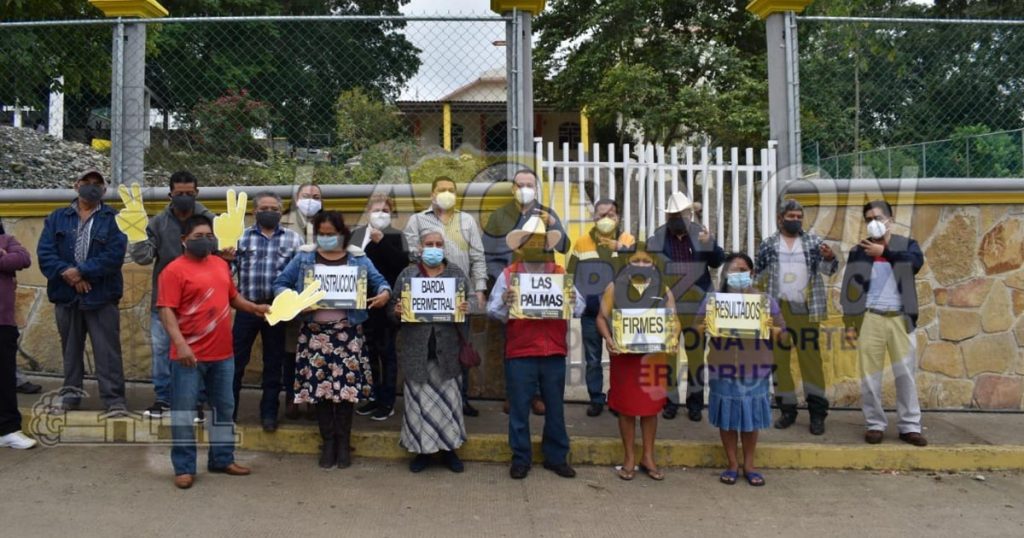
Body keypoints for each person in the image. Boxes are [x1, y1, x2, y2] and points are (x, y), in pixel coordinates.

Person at [274, 211, 392, 469]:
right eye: (322, 234)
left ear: (342, 233)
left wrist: (384, 294)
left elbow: (381, 283)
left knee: (346, 391)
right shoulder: (304, 257)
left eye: (331, 234)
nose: (326, 238)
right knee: (321, 390)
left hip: (347, 335)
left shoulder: (357, 258)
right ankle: (328, 442)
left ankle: (343, 442)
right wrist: (295, 301)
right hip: (314, 335)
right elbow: (280, 284)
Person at [157, 215, 268, 489]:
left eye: (209, 236)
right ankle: (184, 467)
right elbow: (166, 311)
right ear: (184, 240)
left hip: (222, 354)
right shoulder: (173, 271)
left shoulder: (220, 264)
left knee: (224, 408)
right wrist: (180, 344)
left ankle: (222, 459)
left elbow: (232, 297)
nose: (205, 241)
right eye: (198, 236)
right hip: (188, 357)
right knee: (184, 412)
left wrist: (254, 308)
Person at [487, 216, 585, 480]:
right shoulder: (509, 275)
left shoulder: (560, 274)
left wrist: (572, 299)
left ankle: (556, 457)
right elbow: (493, 311)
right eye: (530, 241)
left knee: (555, 408)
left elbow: (580, 308)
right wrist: (505, 300)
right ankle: (520, 458)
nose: (535, 246)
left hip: (553, 351)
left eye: (539, 241)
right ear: (521, 247)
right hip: (520, 352)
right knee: (519, 408)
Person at [36, 170, 128, 416]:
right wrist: (68, 273)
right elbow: (45, 253)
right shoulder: (57, 217)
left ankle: (114, 401)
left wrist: (81, 272)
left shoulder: (114, 219)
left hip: (102, 296)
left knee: (107, 351)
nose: (92, 186)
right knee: (70, 350)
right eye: (86, 182)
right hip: (66, 295)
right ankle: (70, 397)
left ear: (104, 190)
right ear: (76, 185)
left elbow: (114, 256)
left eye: (97, 183)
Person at [483, 169, 571, 417]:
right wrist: (504, 279)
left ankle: (539, 395)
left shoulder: (547, 214)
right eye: (520, 184)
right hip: (513, 289)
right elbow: (487, 252)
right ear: (513, 188)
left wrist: (553, 224)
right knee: (513, 343)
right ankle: (514, 394)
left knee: (543, 342)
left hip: (544, 288)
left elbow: (564, 246)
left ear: (536, 188)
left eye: (529, 185)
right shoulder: (499, 216)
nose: (524, 189)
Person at [129, 170, 216, 419]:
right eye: (179, 193)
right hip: (166, 301)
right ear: (170, 194)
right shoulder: (158, 223)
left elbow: (221, 254)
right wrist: (136, 233)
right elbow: (143, 258)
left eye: (189, 193)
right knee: (162, 351)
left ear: (197, 193)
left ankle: (196, 402)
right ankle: (163, 399)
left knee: (198, 352)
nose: (184, 197)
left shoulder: (210, 221)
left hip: (200, 302)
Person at [841, 200, 927, 447]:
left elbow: (914, 265)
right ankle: (875, 424)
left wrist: (885, 252)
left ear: (890, 219)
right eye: (869, 219)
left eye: (878, 218)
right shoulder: (859, 251)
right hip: (870, 318)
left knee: (905, 375)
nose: (873, 223)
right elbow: (850, 289)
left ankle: (910, 426)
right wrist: (850, 321)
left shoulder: (907, 245)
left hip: (901, 318)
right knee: (870, 376)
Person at [697, 253, 784, 487]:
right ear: (726, 274)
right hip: (722, 368)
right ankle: (732, 464)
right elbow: (695, 330)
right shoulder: (713, 302)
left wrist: (773, 329)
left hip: (755, 370)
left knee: (750, 418)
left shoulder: (765, 302)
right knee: (727, 419)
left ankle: (749, 465)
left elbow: (784, 336)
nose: (738, 274)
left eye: (743, 270)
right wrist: (703, 326)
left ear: (752, 273)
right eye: (733, 270)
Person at [404, 177, 488, 417]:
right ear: (432, 193)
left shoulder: (467, 220)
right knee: (428, 348)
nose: (447, 193)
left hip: (460, 298)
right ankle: (428, 400)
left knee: (460, 347)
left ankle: (461, 399)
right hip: (427, 296)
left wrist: (480, 289)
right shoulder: (417, 220)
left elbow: (478, 257)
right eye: (442, 190)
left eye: (451, 190)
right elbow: (409, 254)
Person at [754, 199, 837, 435]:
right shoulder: (769, 244)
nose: (796, 221)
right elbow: (759, 274)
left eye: (799, 217)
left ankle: (817, 414)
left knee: (811, 362)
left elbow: (828, 270)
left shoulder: (813, 242)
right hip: (777, 308)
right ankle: (787, 410)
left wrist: (830, 257)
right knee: (779, 361)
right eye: (791, 217)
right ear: (780, 218)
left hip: (805, 308)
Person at [392, 228, 470, 473]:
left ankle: (450, 450)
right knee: (419, 406)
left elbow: (469, 304)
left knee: (449, 405)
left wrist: (466, 307)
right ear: (420, 248)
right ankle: (422, 452)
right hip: (417, 351)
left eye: (438, 244)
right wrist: (396, 311)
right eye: (429, 244)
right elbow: (392, 309)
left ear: (444, 248)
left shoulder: (456, 274)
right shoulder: (408, 275)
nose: (434, 248)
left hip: (447, 351)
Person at [596, 244, 674, 480]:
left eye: (646, 261)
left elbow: (673, 319)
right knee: (626, 408)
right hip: (624, 358)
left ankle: (648, 456)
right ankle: (629, 457)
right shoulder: (614, 287)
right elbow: (601, 318)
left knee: (651, 409)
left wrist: (673, 337)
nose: (641, 265)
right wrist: (608, 339)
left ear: (654, 264)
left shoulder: (663, 288)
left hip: (653, 358)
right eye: (636, 261)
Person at [227, 192, 303, 432]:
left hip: (277, 310)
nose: (269, 212)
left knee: (273, 363)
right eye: (264, 208)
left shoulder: (294, 239)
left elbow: (300, 275)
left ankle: (269, 413)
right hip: (247, 307)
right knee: (235, 363)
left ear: (281, 212)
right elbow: (227, 273)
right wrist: (225, 259)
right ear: (254, 212)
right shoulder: (240, 237)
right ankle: (228, 412)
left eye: (274, 209)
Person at [647, 191, 724, 422]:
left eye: (682, 214)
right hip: (669, 303)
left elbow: (718, 261)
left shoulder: (701, 234)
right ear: (667, 217)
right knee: (669, 356)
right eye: (674, 215)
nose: (678, 219)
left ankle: (695, 403)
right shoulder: (657, 237)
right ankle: (670, 402)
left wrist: (710, 245)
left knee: (696, 357)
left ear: (690, 214)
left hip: (697, 304)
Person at [567, 198, 635, 417]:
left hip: (620, 313)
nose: (605, 219)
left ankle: (617, 399)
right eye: (601, 215)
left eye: (610, 215)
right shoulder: (581, 243)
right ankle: (596, 398)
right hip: (590, 313)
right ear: (594, 217)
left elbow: (640, 268)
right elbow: (571, 275)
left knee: (620, 358)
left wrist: (622, 249)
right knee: (593, 359)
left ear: (618, 218)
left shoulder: (627, 239)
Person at [351, 193, 408, 421]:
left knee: (387, 353)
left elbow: (401, 264)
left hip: (386, 304)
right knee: (368, 353)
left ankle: (387, 401)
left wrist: (381, 241)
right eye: (376, 210)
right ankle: (372, 396)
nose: (380, 214)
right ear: (368, 212)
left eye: (385, 210)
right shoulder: (356, 235)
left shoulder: (396, 236)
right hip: (361, 304)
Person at [280, 182, 324, 420]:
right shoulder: (284, 225)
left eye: (316, 196)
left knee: (317, 351)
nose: (311, 200)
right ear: (297, 199)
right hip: (293, 300)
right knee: (291, 351)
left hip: (322, 302)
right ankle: (292, 397)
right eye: (307, 195)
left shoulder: (328, 225)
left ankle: (314, 399)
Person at [0, 224, 36, 449]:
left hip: (2, 323)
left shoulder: (7, 240)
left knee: (5, 379)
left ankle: (8, 431)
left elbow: (23, 258)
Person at [282, 182, 323, 247]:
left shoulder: (329, 223)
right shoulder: (282, 222)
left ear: (321, 201)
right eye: (305, 196)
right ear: (296, 198)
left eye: (316, 197)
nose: (310, 201)